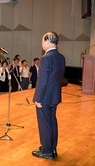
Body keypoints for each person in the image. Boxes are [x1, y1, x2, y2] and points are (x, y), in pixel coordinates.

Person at [32, 32, 65, 160]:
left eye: (42, 41)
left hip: (44, 97)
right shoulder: (61, 57)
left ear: (47, 41)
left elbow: (42, 80)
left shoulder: (45, 58)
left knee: (44, 124)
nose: (42, 44)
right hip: (55, 96)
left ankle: (46, 151)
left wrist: (38, 98)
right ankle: (52, 147)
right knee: (52, 121)